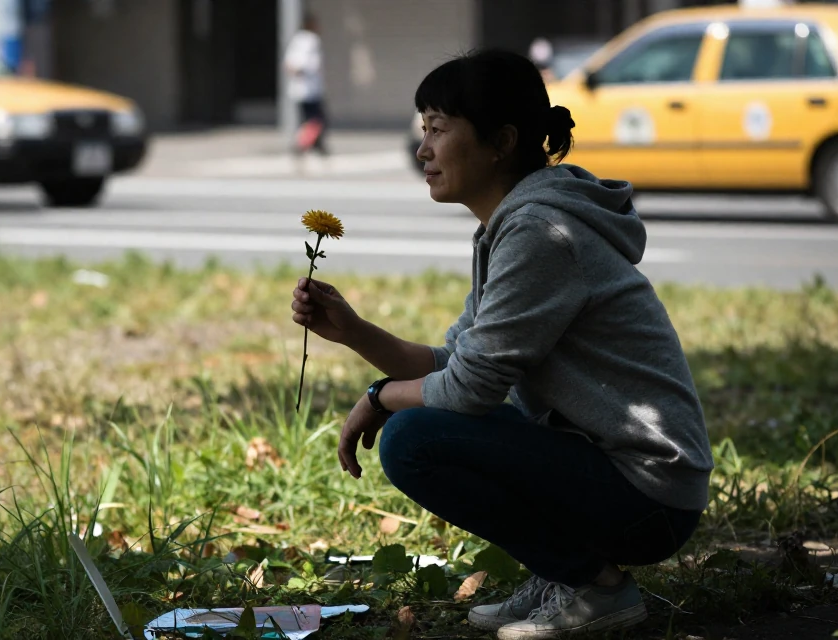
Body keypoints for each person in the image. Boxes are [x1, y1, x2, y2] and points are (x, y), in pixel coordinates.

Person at [289, 49, 713, 639]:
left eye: (439, 129)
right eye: (423, 130)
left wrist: (382, 397)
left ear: (501, 141)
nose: (424, 150)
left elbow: (466, 390)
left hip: (648, 495)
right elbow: (458, 367)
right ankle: (567, 574)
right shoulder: (512, 226)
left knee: (413, 438)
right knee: (423, 423)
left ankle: (595, 585)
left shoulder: (540, 233)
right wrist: (354, 332)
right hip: (615, 475)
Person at [283, 12, 328, 156]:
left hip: (300, 89)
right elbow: (305, 63)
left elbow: (288, 63)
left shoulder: (297, 39)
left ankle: (316, 144)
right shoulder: (311, 40)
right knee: (316, 119)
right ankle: (303, 144)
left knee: (309, 118)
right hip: (310, 89)